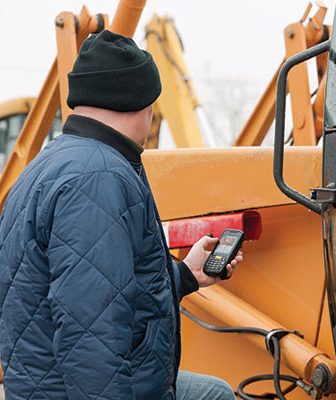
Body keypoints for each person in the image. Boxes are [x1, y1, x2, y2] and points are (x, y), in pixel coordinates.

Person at [0, 30, 242, 400]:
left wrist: (184, 275)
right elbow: (90, 336)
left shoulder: (51, 163)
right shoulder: (98, 177)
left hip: (43, 380)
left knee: (214, 393)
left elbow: (101, 292)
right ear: (138, 102)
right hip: (80, 388)